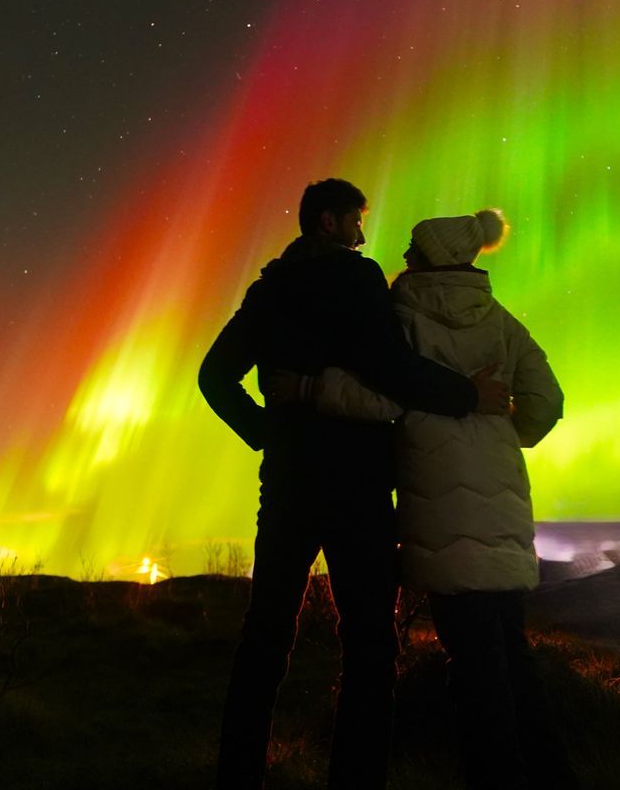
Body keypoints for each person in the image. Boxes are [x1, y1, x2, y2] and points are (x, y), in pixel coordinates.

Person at [199, 178, 510, 790]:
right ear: (327, 223)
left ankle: (236, 777)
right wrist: (470, 393)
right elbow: (395, 370)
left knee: (265, 634)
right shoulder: (358, 280)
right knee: (370, 645)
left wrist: (268, 432)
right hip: (360, 488)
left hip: (287, 485)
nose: (364, 235)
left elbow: (215, 377)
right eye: (355, 222)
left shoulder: (269, 290)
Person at [310, 208, 580, 790]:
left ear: (430, 255)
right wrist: (509, 431)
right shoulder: (503, 322)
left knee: (473, 667)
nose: (404, 257)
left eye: (412, 248)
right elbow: (547, 400)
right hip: (504, 507)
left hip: (440, 510)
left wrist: (312, 388)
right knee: (513, 658)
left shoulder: (402, 315)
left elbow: (381, 395)